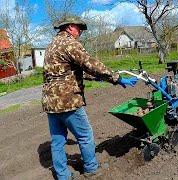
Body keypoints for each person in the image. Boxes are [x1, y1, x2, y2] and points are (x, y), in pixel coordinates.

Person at [42, 15, 138, 180]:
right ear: (70, 27)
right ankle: (92, 169)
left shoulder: (51, 46)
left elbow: (68, 73)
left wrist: (99, 77)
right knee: (85, 135)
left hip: (51, 102)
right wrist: (117, 78)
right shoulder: (69, 43)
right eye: (79, 28)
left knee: (57, 141)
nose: (80, 32)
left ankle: (62, 175)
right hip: (67, 101)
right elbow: (90, 63)